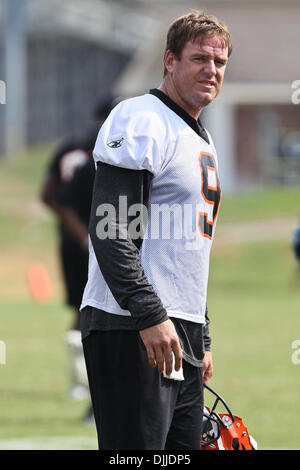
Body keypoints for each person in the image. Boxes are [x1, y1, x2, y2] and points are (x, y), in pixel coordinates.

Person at [80, 11, 232, 449]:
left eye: (219, 63)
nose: (211, 70)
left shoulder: (200, 135)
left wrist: (199, 334)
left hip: (176, 327)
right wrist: (149, 314)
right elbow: (111, 231)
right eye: (199, 58)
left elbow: (185, 251)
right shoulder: (142, 119)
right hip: (131, 325)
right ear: (169, 60)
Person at [40, 97, 119, 406]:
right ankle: (90, 382)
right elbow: (58, 198)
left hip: (87, 240)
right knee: (96, 310)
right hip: (96, 242)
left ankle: (83, 382)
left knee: (84, 310)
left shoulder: (72, 145)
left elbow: (51, 197)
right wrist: (86, 238)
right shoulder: (107, 149)